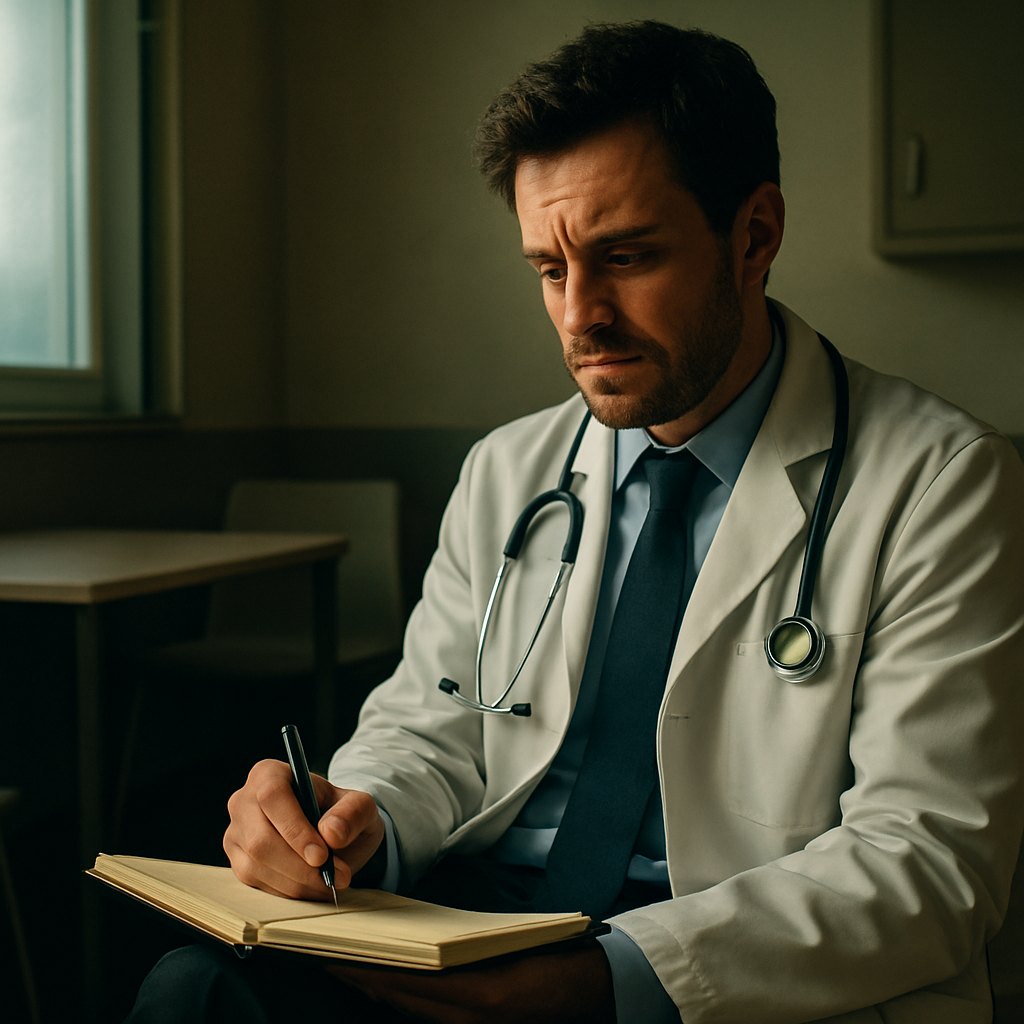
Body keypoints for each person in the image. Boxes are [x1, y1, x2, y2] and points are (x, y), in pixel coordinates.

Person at [125, 20, 1024, 1024]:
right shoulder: (511, 469)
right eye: (549, 269)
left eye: (625, 257)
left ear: (754, 235)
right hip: (488, 917)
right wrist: (356, 818)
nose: (577, 317)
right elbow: (432, 725)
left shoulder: (940, 482)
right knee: (195, 989)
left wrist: (607, 983)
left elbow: (930, 857)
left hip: (728, 948)